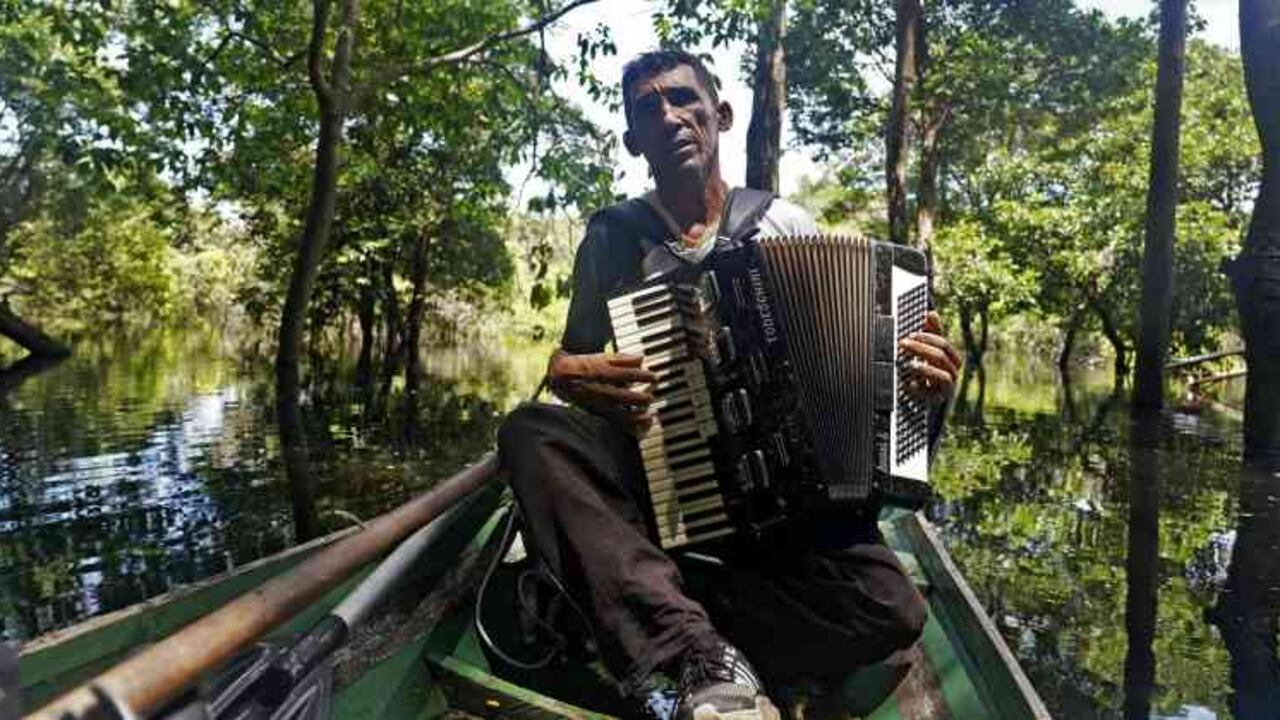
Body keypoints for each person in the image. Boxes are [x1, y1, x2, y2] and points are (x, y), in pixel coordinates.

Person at [498, 49, 962, 720]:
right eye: (647, 108)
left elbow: (865, 403)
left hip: (779, 512)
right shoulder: (611, 238)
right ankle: (692, 655)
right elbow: (574, 364)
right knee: (529, 433)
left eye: (683, 99)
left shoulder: (786, 223)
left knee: (890, 608)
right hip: (661, 493)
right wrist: (562, 373)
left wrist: (926, 389)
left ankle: (646, 617)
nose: (669, 116)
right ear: (633, 139)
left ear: (720, 114)